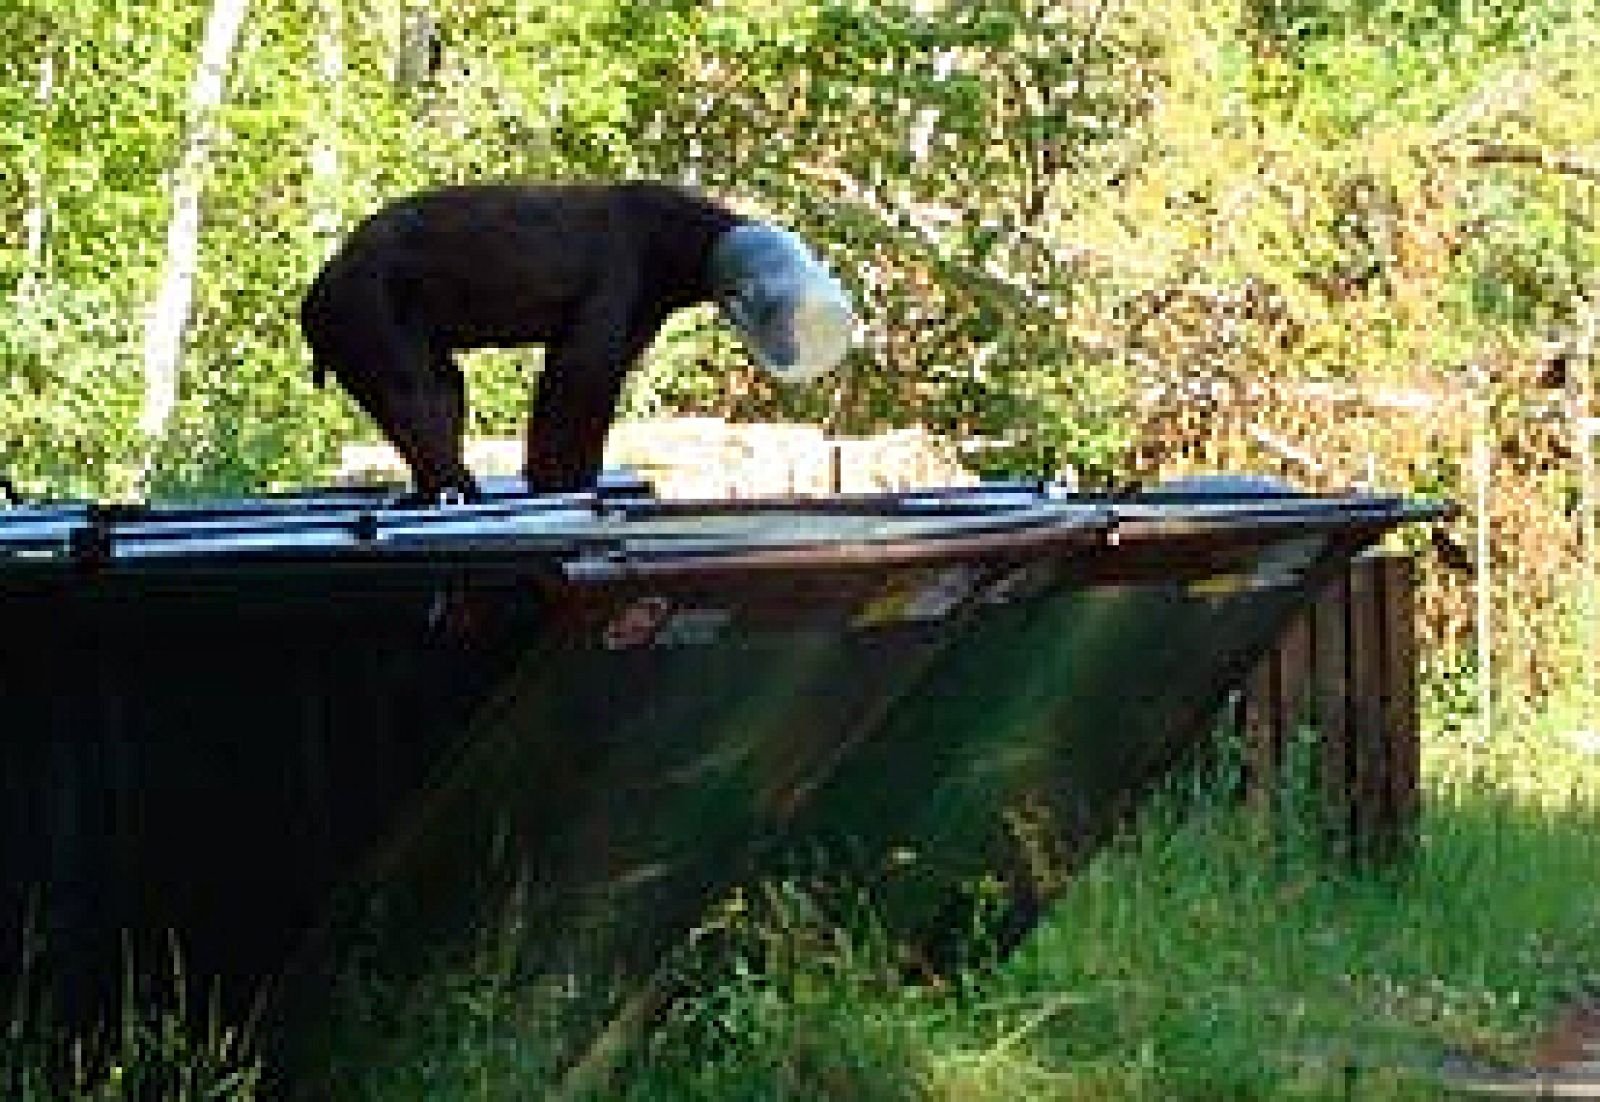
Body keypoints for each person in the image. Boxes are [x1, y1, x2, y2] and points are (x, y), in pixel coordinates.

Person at [300, 181, 854, 501]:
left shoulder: (648, 243)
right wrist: (569, 509)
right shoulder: (632, 258)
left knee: (452, 483)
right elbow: (575, 403)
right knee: (447, 490)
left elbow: (577, 410)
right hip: (371, 299)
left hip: (383, 294)